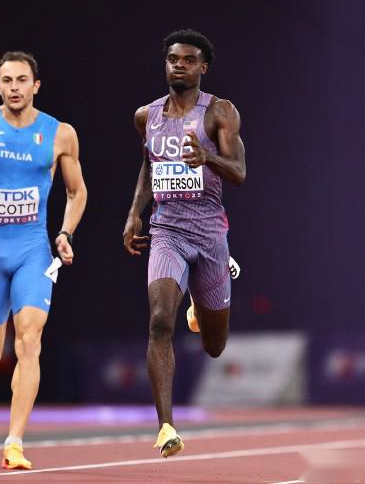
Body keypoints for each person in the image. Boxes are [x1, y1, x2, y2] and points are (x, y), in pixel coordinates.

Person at [0, 51, 87, 470]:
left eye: (22, 80)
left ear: (35, 85)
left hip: (32, 252)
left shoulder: (60, 134)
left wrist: (65, 233)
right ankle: (15, 411)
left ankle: (14, 442)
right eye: (7, 81)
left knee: (29, 341)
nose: (14, 88)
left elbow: (77, 192)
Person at [122, 29, 246, 458]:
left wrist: (207, 157)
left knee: (214, 346)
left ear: (202, 67)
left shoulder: (220, 112)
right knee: (159, 320)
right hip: (167, 232)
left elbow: (240, 172)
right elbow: (148, 165)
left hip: (210, 235)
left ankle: (199, 305)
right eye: (173, 59)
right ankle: (166, 426)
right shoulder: (147, 116)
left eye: (189, 60)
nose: (180, 65)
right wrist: (134, 212)